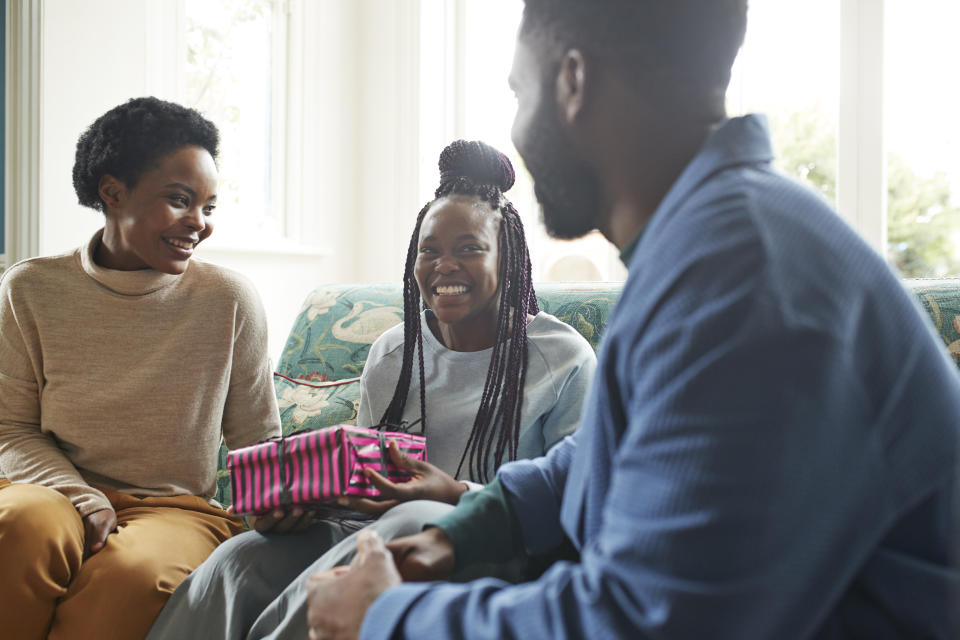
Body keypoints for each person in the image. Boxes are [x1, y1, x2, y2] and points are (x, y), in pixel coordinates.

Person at [305, 1, 960, 638]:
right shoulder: (709, 242)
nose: (518, 127)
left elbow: (644, 622)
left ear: (572, 80)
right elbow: (600, 459)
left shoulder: (742, 282)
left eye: (518, 90)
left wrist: (387, 619)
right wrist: (459, 533)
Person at [146, 139, 597, 639]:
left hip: (490, 549)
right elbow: (365, 479)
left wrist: (456, 497)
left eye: (469, 249)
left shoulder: (561, 357)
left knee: (418, 517)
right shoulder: (393, 352)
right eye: (430, 251)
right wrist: (301, 505)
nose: (444, 266)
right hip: (377, 533)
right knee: (244, 557)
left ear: (508, 258)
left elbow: (580, 503)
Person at [0, 96, 283, 640]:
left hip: (175, 511)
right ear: (113, 192)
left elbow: (257, 442)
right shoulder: (30, 289)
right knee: (21, 526)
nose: (198, 224)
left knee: (134, 578)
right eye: (180, 201)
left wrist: (283, 502)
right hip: (54, 492)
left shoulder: (229, 300)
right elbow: (11, 428)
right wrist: (82, 498)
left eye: (209, 207)